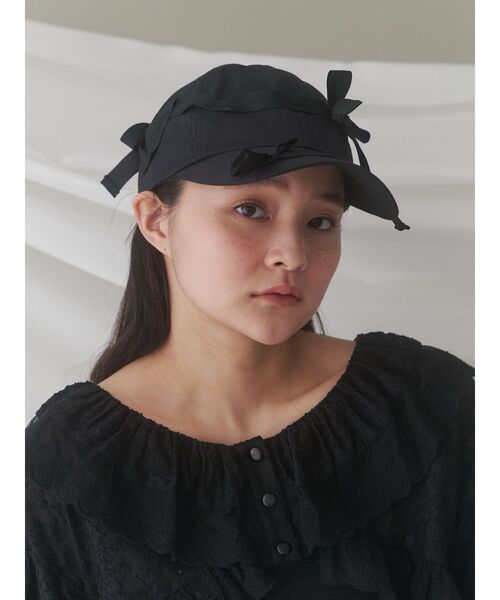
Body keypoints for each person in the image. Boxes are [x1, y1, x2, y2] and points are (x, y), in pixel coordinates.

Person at [25, 64, 474, 599]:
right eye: (250, 209)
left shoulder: (427, 407)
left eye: (320, 221)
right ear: (156, 221)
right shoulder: (64, 464)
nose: (293, 255)